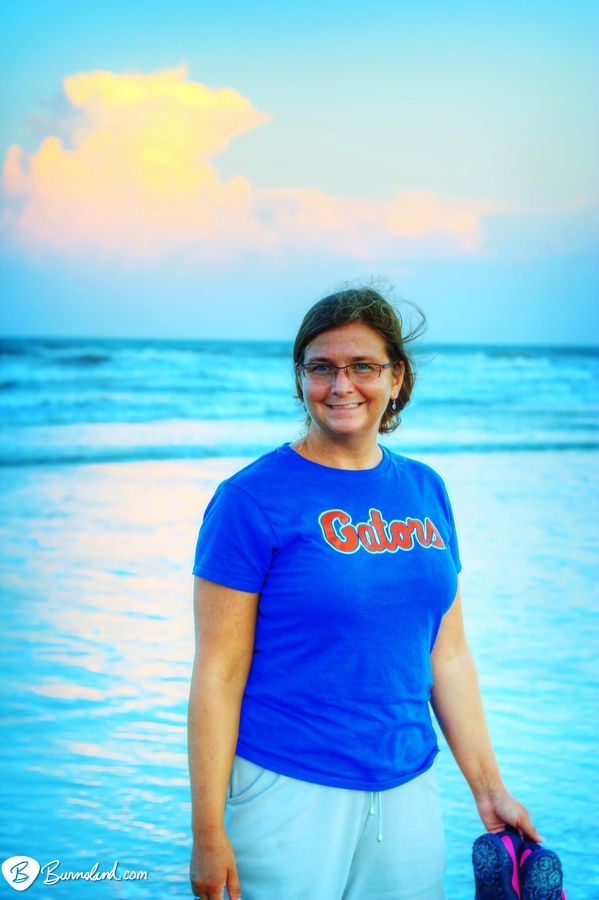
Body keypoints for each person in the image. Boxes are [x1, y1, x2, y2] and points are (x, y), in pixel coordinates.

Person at [187, 287, 543, 900]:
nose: (340, 385)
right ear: (300, 379)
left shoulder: (426, 490)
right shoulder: (249, 500)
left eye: (363, 366)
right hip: (286, 788)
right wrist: (207, 829)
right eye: (321, 367)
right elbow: (217, 673)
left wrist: (488, 787)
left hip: (409, 785)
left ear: (396, 377)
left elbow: (447, 655)